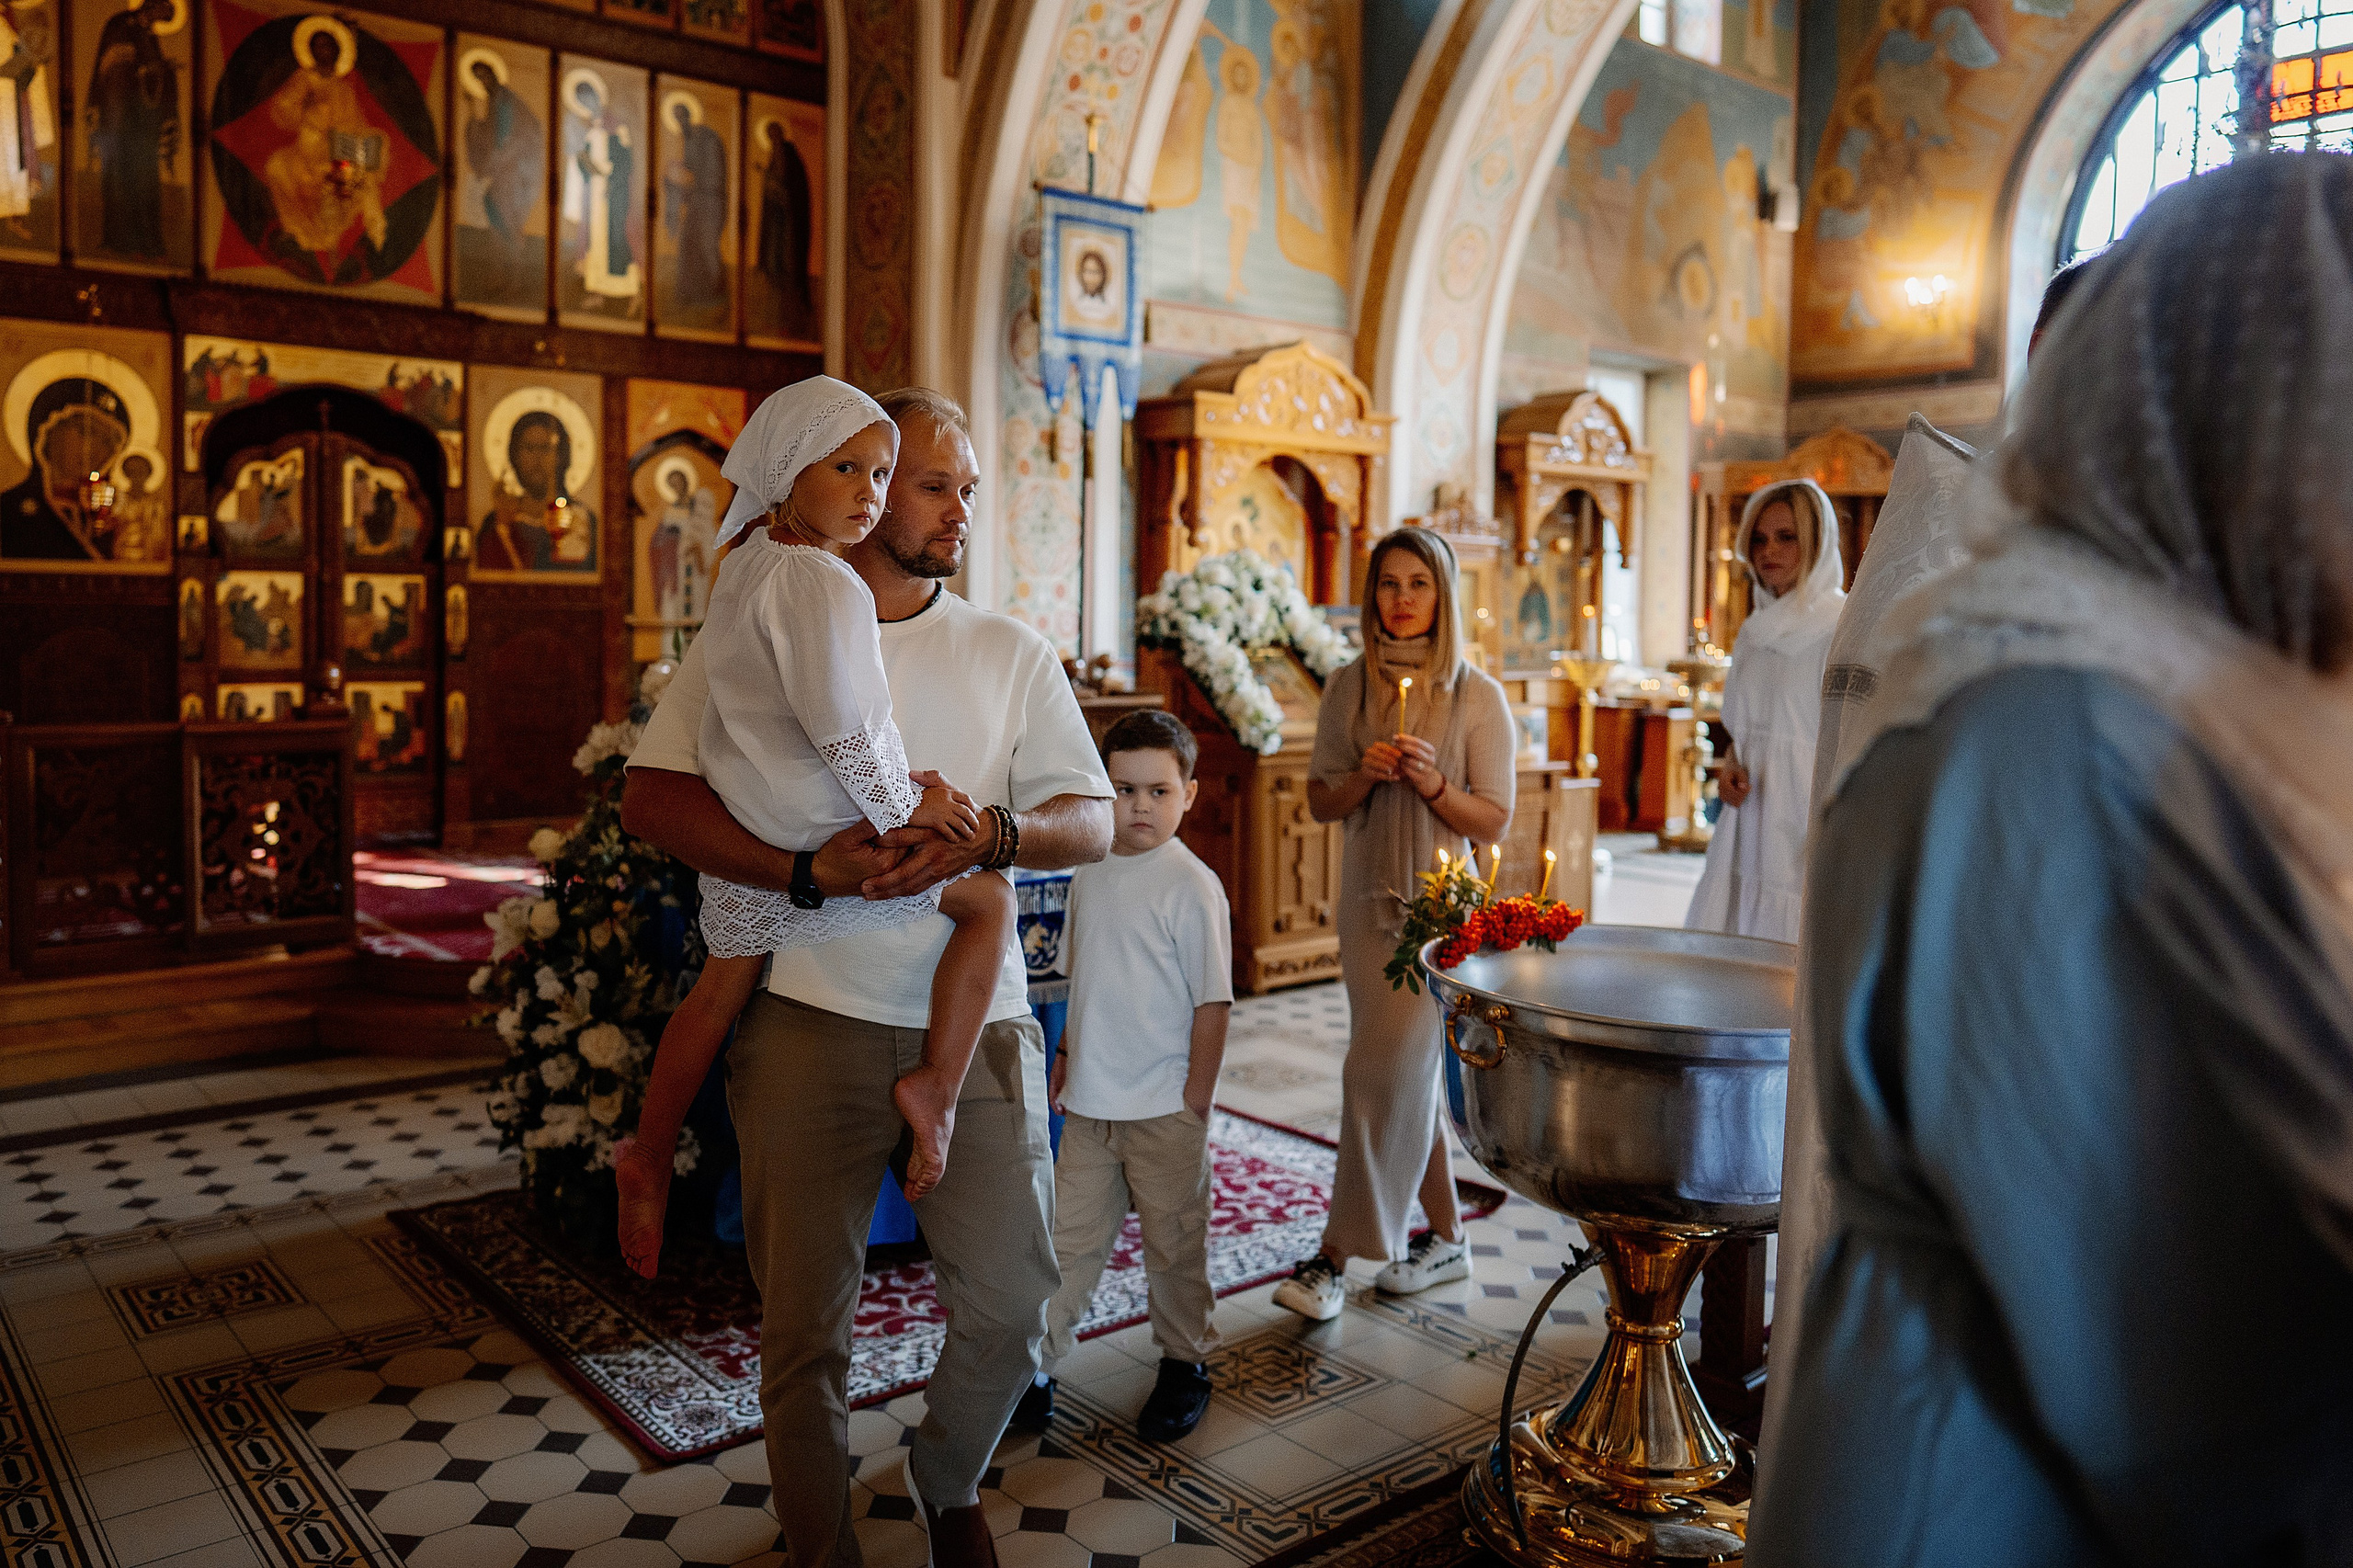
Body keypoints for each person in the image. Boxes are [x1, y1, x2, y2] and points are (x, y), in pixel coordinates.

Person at [1749, 154, 2353, 1563]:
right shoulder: (2049, 731)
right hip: (1982, 1496)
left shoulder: (2167, 693)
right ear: (2262, 429)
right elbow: (2165, 1360)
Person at [620, 386, 1112, 1568]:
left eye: (959, 490)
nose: (947, 510)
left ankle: (945, 1477)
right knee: (804, 1329)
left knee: (1011, 1303)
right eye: (923, 482)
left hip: (976, 1023)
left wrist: (991, 834)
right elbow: (653, 797)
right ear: (830, 481)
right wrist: (803, 869)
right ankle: (820, 1541)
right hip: (804, 1017)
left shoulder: (1007, 648)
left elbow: (1093, 819)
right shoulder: (771, 606)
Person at [612, 378, 1015, 1278]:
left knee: (716, 991)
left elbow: (789, 717)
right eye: (854, 469)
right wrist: (910, 802)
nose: (869, 491)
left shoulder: (748, 559)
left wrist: (894, 782)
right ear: (790, 470)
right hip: (823, 822)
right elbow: (844, 726)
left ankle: (647, 1150)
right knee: (986, 899)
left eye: (881, 473)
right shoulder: (825, 583)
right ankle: (935, 1089)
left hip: (760, 814)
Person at [1274, 526, 1514, 1322]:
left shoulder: (1477, 693)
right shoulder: (1348, 686)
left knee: (1372, 1074)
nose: (1402, 599)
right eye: (1388, 584)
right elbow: (1320, 799)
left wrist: (1436, 786)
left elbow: (1495, 817)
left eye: (1419, 584)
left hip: (1442, 914)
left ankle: (1335, 1259)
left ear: (1443, 595)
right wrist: (1367, 775)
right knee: (1401, 1075)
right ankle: (1446, 1238)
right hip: (1367, 904)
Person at [1024, 709, 1233, 1442]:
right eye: (1123, 790)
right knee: (1068, 1242)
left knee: (1175, 1243)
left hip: (1164, 1108)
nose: (1140, 807)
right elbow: (1083, 975)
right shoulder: (1090, 870)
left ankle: (1184, 1362)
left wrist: (1195, 1102)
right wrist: (1068, 1052)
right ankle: (1037, 1368)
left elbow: (1213, 1004)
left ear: (1190, 795)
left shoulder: (1191, 885)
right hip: (1090, 1105)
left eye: (1158, 791)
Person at [1684, 479, 1844, 943]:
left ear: (1816, 541)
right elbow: (1742, 727)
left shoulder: (1840, 626)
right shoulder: (1754, 632)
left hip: (1803, 819)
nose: (1768, 550)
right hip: (1747, 820)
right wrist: (1731, 763)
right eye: (1759, 538)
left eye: (1786, 537)